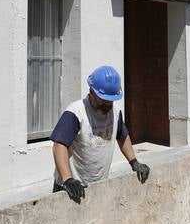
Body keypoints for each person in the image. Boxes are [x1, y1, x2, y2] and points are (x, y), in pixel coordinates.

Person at [50, 65, 150, 202]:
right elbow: (59, 146)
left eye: (111, 100)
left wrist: (134, 161)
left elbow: (122, 136)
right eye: (104, 99)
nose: (108, 104)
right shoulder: (76, 113)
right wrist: (68, 179)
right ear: (91, 92)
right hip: (71, 188)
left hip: (98, 185)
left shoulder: (115, 112)